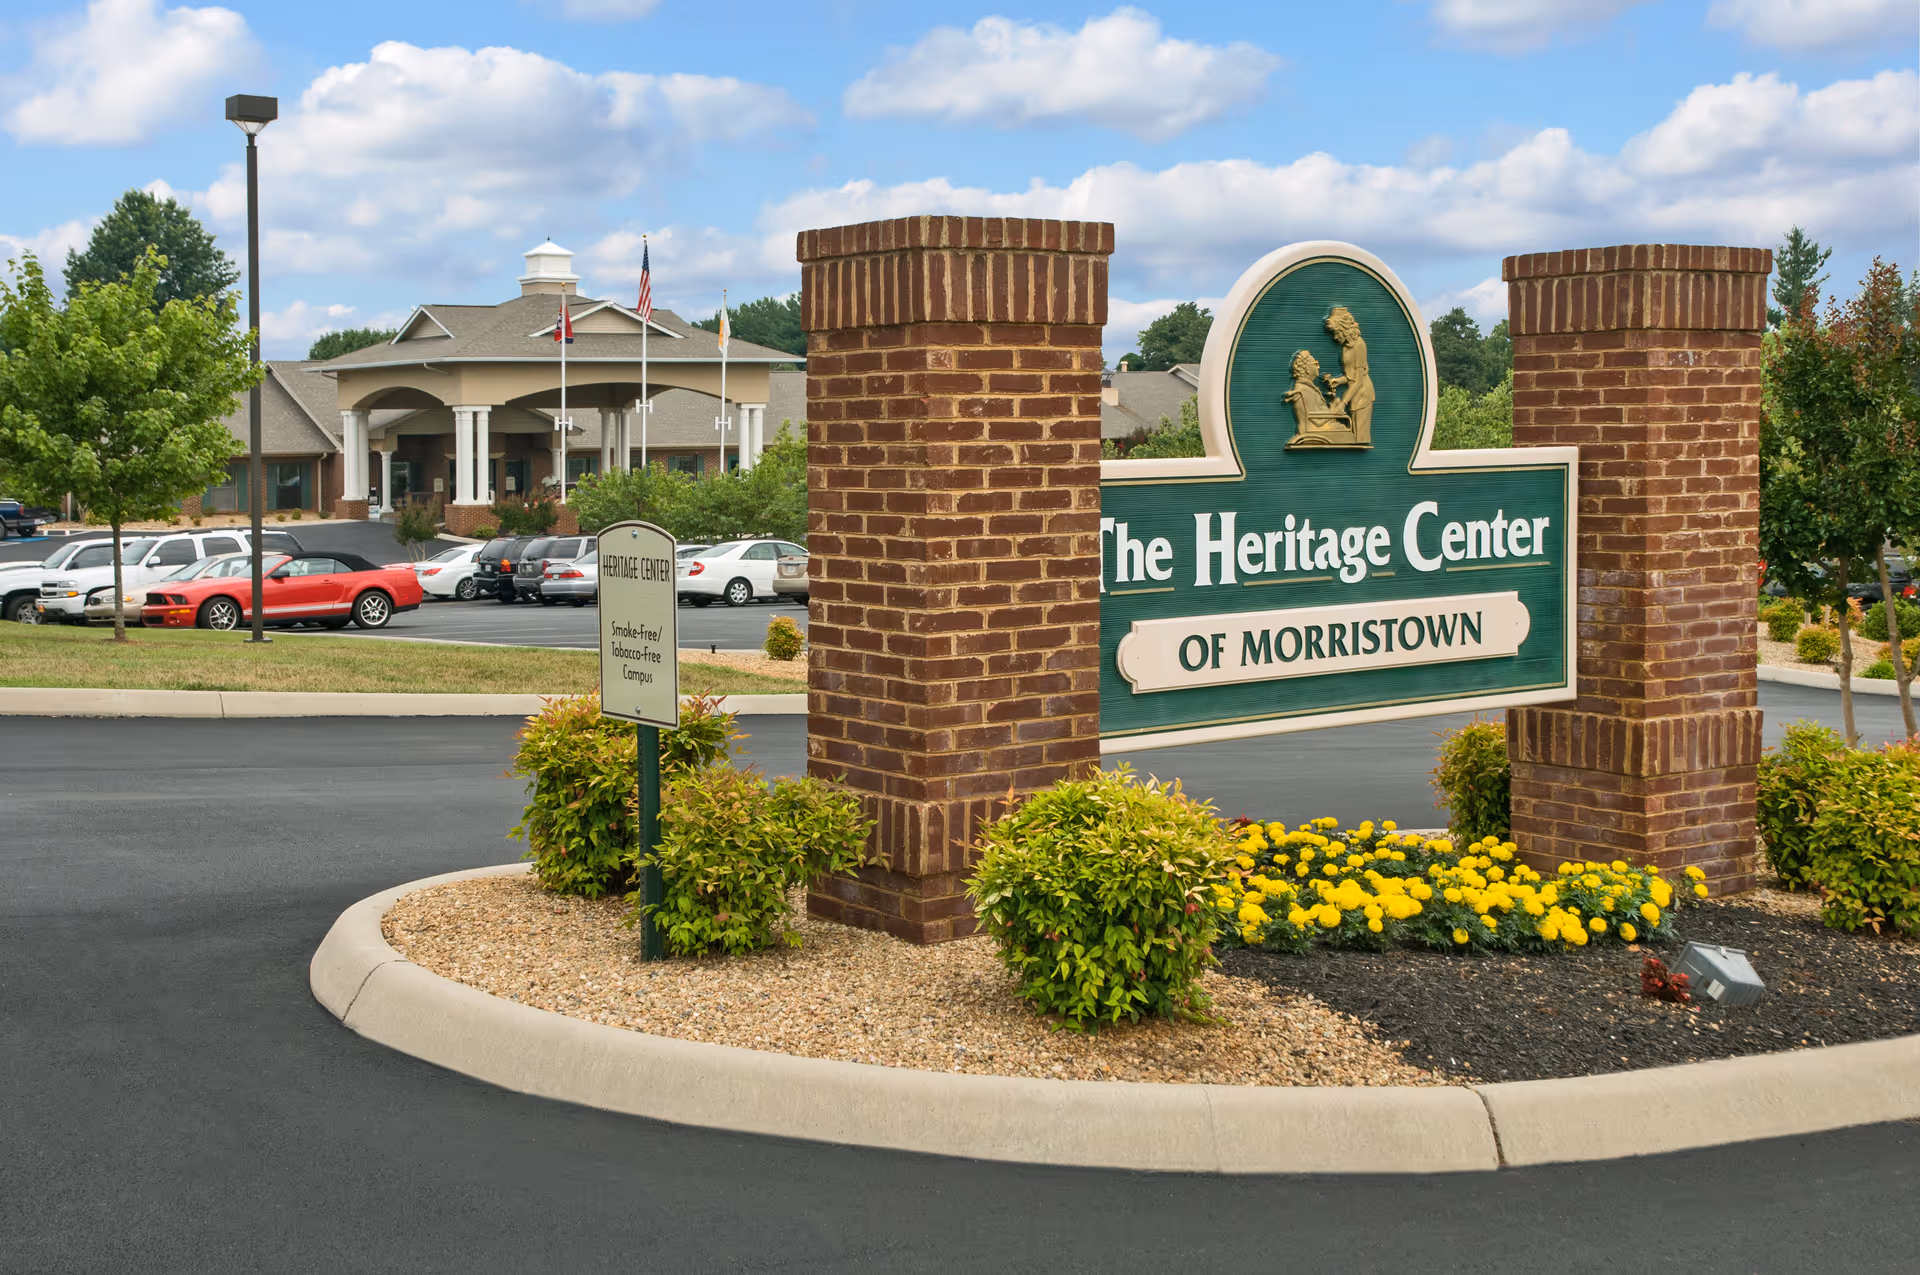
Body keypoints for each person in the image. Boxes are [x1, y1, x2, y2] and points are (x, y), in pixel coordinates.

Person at [1324, 306, 1375, 445]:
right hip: (1354, 395)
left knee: (1360, 439)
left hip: (1363, 395)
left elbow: (1358, 381)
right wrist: (1337, 381)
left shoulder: (1359, 346)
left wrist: (1343, 403)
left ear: (1343, 328)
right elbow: (1350, 376)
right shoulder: (1346, 347)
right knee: (1355, 438)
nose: (1335, 337)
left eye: (1336, 333)